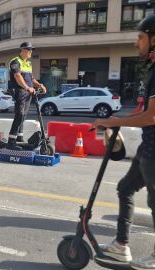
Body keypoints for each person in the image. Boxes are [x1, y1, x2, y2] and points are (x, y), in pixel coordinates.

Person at [92, 15, 155, 269]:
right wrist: (115, 121)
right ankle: (121, 245)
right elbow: (145, 113)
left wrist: (114, 122)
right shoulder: (152, 70)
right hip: (147, 147)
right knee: (125, 187)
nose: (135, 43)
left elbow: (152, 115)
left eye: (140, 37)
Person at [7, 42, 47, 150]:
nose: (31, 52)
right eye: (29, 50)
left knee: (23, 116)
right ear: (23, 50)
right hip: (20, 91)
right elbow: (17, 75)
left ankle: (19, 138)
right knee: (19, 115)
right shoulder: (15, 61)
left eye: (31, 50)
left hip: (29, 92)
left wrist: (39, 85)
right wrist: (26, 87)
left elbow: (31, 78)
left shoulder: (28, 63)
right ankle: (11, 141)